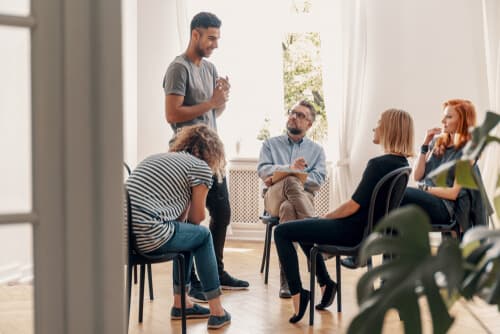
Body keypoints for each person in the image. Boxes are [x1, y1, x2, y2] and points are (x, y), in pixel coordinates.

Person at [274, 109, 415, 323]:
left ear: (389, 129)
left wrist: (327, 217)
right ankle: (326, 283)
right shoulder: (402, 165)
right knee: (303, 228)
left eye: (378, 123)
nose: (375, 127)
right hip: (367, 233)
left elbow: (352, 205)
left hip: (351, 232)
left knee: (282, 231)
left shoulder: (378, 164)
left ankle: (298, 294)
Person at [163, 11, 249, 300]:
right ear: (195, 34)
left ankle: (216, 271)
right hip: (187, 155)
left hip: (212, 153)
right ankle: (191, 282)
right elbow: (172, 114)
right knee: (191, 220)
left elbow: (211, 113)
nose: (215, 44)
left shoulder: (210, 69)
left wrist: (220, 101)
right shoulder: (179, 68)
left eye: (217, 38)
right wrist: (210, 102)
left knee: (222, 213)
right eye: (211, 38)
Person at [126, 125, 231, 329]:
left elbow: (182, 222)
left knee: (189, 234)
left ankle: (181, 304)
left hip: (123, 236)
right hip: (148, 234)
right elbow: (198, 217)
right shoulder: (199, 167)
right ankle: (217, 311)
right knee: (203, 235)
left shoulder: (155, 158)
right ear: (211, 152)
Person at [257, 100, 327, 298]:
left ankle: (288, 281)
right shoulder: (270, 144)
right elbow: (263, 170)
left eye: (301, 115)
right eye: (292, 113)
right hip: (273, 198)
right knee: (288, 182)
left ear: (309, 124)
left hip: (301, 199)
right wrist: (291, 170)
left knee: (288, 208)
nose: (294, 117)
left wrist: (291, 177)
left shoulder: (317, 150)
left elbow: (318, 181)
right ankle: (319, 237)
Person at [400, 99, 477, 228]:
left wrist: (425, 189)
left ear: (462, 121)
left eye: (449, 117)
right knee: (393, 196)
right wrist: (425, 145)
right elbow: (417, 176)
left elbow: (453, 193)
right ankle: (394, 246)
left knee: (400, 193)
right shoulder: (437, 142)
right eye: (444, 116)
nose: (443, 121)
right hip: (425, 197)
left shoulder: (468, 151)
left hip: (444, 207)